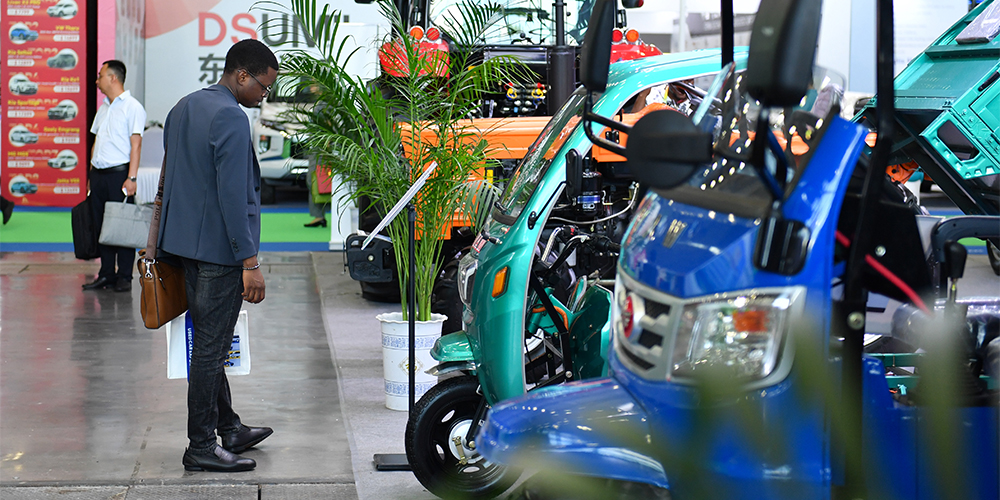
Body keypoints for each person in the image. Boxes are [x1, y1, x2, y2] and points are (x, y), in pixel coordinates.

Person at [156, 39, 277, 473]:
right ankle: (201, 445)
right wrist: (250, 262)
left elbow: (174, 179)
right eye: (263, 86)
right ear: (241, 75)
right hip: (219, 254)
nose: (264, 96)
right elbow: (232, 195)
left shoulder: (184, 107)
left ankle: (229, 428)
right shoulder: (230, 116)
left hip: (184, 248)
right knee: (210, 349)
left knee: (209, 342)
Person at [83, 60, 146, 292]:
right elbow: (96, 142)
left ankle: (124, 277)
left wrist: (132, 178)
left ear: (113, 78)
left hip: (119, 175)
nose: (97, 80)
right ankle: (106, 274)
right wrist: (91, 173)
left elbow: (136, 144)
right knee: (102, 225)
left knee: (122, 225)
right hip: (98, 175)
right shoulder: (103, 108)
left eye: (100, 75)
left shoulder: (133, 107)